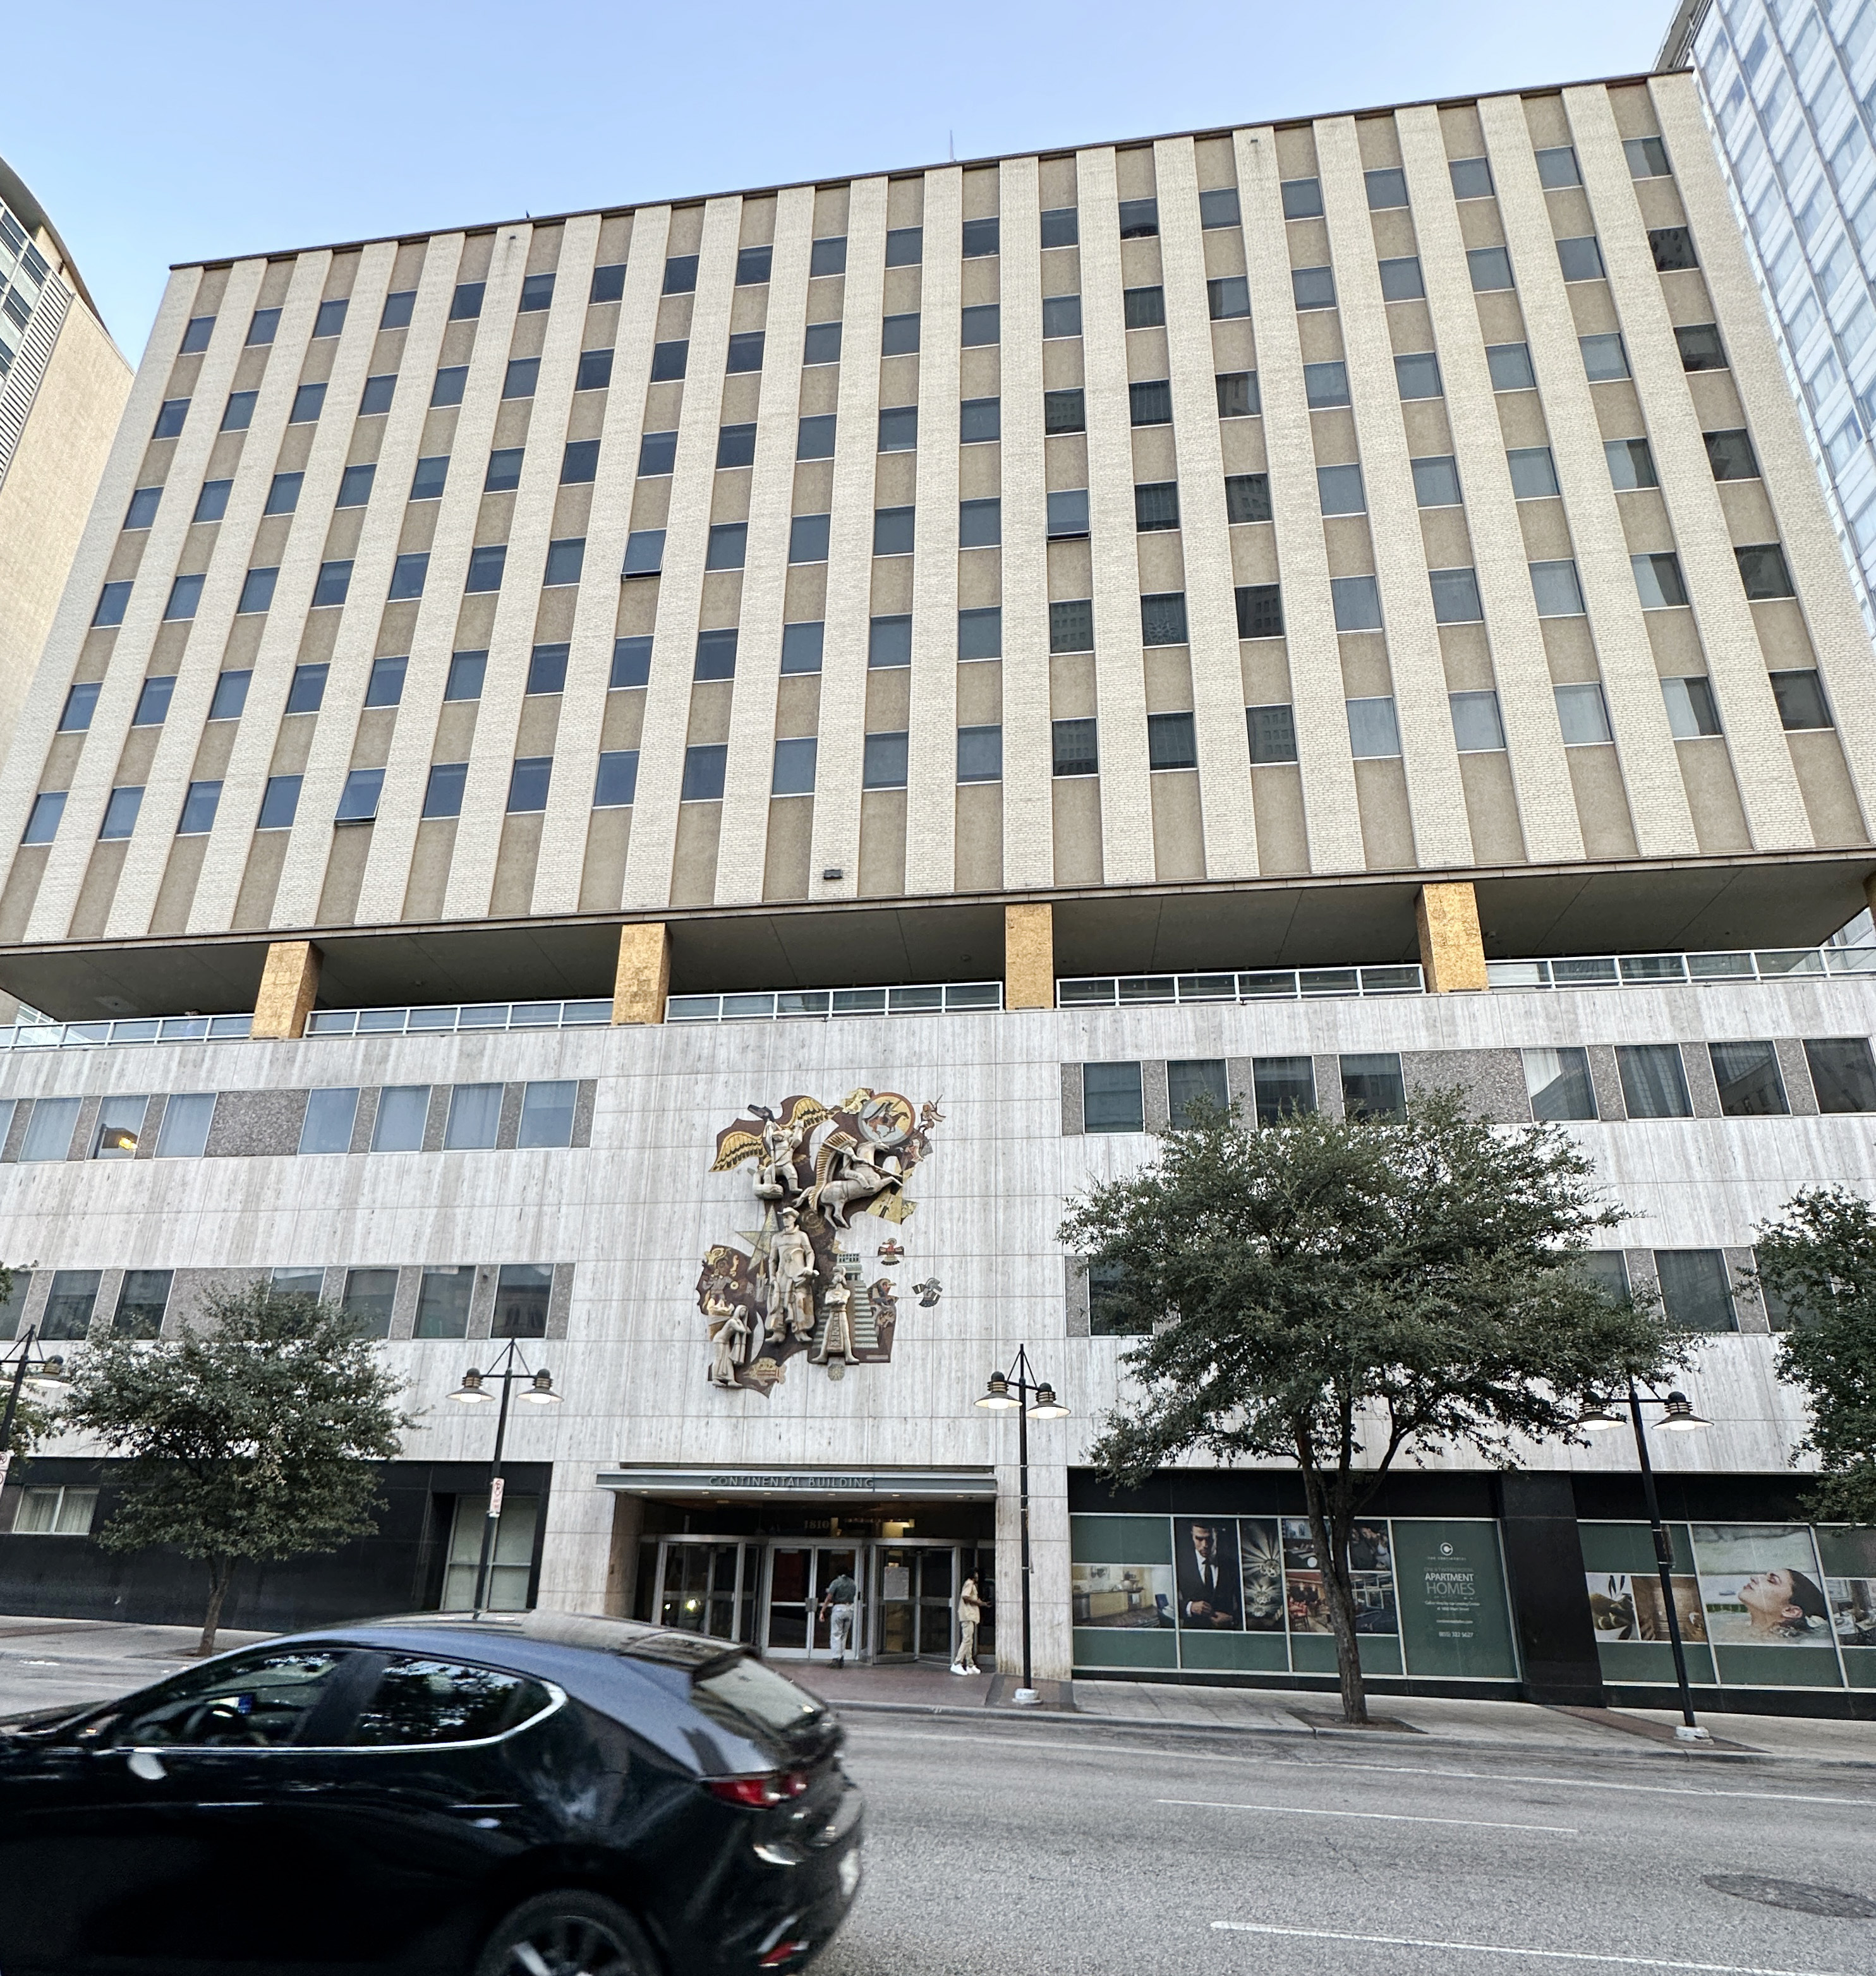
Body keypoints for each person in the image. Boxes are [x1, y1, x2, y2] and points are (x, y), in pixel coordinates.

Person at [1174, 1521, 1242, 1629]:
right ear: (1192, 1536)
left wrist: (1232, 1619)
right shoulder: (1180, 1564)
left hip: (1225, 1635)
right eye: (1199, 1539)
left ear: (1217, 1536)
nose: (1205, 1545)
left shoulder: (1232, 1565)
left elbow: (1244, 1605)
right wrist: (1190, 1607)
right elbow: (1168, 1602)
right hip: (1193, 1635)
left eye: (1209, 1539)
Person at [1737, 1567, 1830, 1639]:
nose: (1754, 1578)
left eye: (1772, 1581)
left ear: (1790, 1611)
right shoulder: (1736, 1627)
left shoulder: (1782, 1648)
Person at [819, 1565, 860, 1667]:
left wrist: (822, 1611)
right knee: (844, 1635)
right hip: (850, 1609)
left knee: (836, 1634)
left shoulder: (836, 1582)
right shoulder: (852, 1583)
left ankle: (836, 1659)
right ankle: (842, 1658)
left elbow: (829, 1597)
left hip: (839, 1608)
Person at [952, 1574, 984, 1674]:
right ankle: (957, 1663)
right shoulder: (969, 1583)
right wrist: (977, 1602)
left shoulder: (971, 1584)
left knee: (969, 1640)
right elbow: (965, 1597)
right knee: (967, 1640)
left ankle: (970, 1664)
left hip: (970, 1615)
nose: (978, 1576)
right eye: (976, 1574)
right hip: (967, 1615)